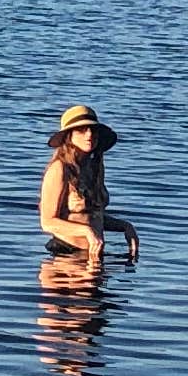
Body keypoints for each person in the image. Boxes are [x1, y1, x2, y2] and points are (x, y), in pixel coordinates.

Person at [38, 103, 137, 276]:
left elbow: (91, 216)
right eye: (81, 130)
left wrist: (124, 226)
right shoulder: (59, 169)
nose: (89, 135)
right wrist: (86, 232)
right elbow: (47, 222)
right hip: (66, 259)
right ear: (69, 136)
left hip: (93, 257)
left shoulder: (94, 167)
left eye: (93, 130)